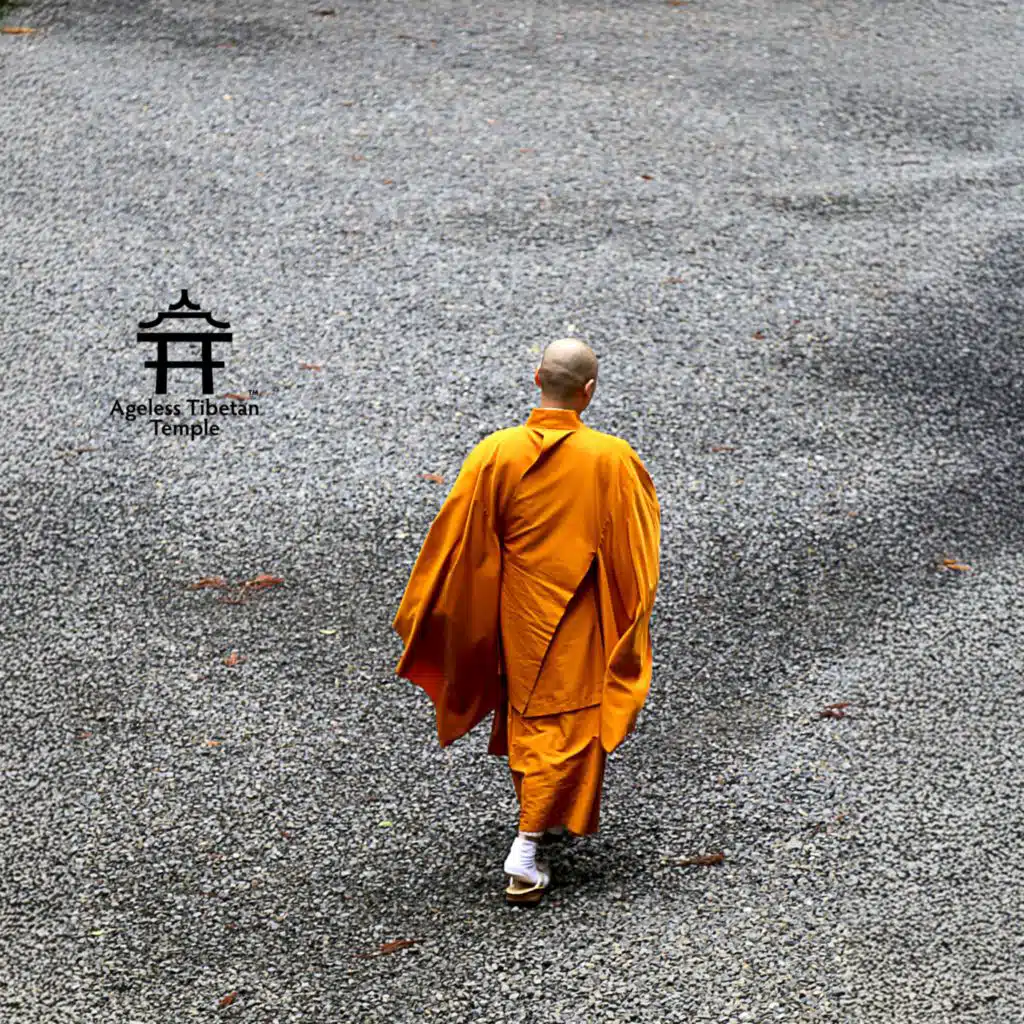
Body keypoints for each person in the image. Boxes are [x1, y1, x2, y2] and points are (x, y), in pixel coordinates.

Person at [392, 338, 661, 904]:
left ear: (535, 377)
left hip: (517, 610)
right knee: (564, 722)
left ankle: (542, 817)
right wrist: (630, 615)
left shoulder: (496, 451)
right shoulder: (612, 458)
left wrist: (459, 609)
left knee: (532, 714)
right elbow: (636, 551)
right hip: (578, 610)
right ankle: (528, 844)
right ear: (589, 391)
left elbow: (458, 540)